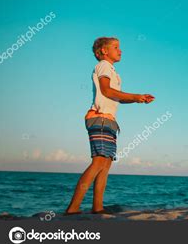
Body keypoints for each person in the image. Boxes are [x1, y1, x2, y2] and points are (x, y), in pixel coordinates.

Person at [65, 37, 154, 214]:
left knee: (105, 166)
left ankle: (97, 208)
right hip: (100, 118)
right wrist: (135, 96)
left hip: (109, 120)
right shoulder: (104, 66)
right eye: (116, 47)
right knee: (98, 163)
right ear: (104, 51)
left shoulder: (113, 71)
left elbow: (116, 97)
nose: (120, 50)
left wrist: (138, 100)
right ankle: (73, 208)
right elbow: (106, 90)